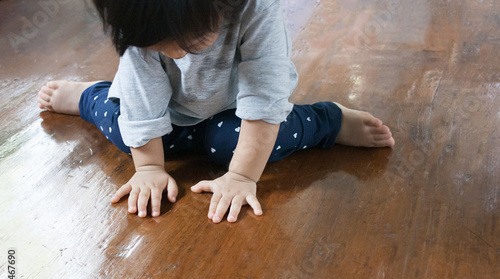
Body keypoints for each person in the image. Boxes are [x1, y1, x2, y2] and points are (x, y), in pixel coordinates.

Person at [37, 0, 395, 223]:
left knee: (230, 143)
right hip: (169, 111)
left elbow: (263, 97)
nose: (174, 55)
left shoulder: (256, 9)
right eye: (157, 46)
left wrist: (241, 176)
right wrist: (148, 168)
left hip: (234, 109)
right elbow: (142, 98)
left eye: (183, 43)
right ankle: (90, 96)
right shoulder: (139, 18)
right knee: (124, 130)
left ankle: (326, 120)